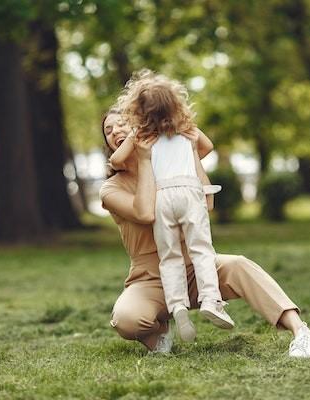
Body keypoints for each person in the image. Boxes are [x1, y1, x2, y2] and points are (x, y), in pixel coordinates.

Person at [100, 108, 310, 357]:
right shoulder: (111, 189)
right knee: (127, 319)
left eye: (123, 124)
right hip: (151, 279)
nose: (116, 130)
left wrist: (167, 113)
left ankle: (301, 332)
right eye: (109, 130)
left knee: (240, 265)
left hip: (197, 269)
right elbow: (145, 213)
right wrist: (142, 159)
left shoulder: (173, 168)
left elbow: (205, 163)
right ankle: (158, 335)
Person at [107, 70, 234, 343]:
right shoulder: (185, 132)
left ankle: (177, 308)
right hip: (188, 192)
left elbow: (116, 161)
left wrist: (134, 143)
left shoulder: (141, 136)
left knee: (170, 257)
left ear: (136, 111)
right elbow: (208, 147)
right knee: (201, 249)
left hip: (163, 198)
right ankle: (211, 299)